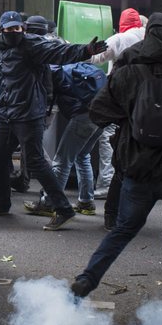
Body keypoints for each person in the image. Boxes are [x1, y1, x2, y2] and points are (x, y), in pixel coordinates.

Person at [71, 13, 162, 317]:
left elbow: (97, 111)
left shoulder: (125, 74)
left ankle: (87, 279)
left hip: (136, 169)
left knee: (122, 230)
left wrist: (130, 119)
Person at [0, 11, 106, 230]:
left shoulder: (32, 45)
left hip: (27, 113)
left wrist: (85, 51)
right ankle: (2, 204)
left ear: (22, 28)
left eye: (17, 28)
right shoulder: (2, 46)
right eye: (10, 29)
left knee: (36, 162)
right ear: (2, 29)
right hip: (6, 111)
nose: (15, 32)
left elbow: (60, 52)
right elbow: (2, 69)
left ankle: (63, 209)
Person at [89, 9, 147, 227]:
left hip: (121, 102)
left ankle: (110, 204)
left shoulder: (119, 38)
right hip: (147, 106)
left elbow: (95, 58)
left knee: (112, 146)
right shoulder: (148, 37)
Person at [45, 62, 108, 215]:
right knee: (82, 155)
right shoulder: (75, 68)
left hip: (84, 116)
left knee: (62, 160)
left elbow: (51, 102)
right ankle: (86, 202)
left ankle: (51, 204)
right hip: (101, 113)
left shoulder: (52, 73)